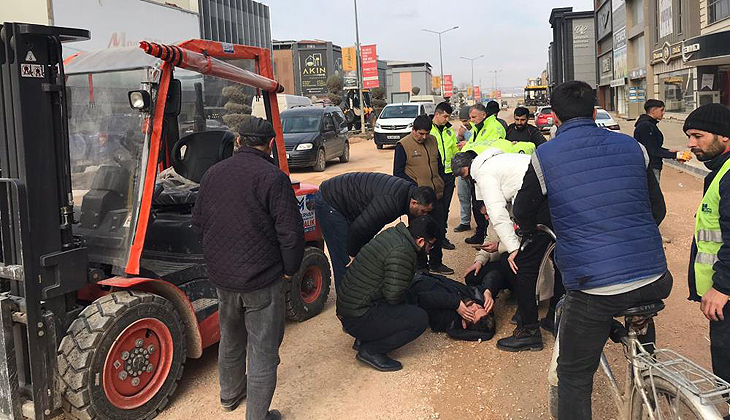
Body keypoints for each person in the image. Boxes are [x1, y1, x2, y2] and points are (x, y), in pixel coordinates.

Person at [513, 81, 670, 419]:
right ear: (595, 110)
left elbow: (523, 211)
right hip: (656, 276)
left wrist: (533, 229)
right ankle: (650, 374)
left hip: (595, 285)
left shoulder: (545, 155)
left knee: (573, 374)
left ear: (554, 117)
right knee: (636, 306)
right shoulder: (632, 147)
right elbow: (657, 211)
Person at [192, 117, 305, 419]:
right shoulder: (273, 177)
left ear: (239, 141)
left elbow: (199, 224)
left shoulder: (212, 173)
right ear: (269, 144)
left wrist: (217, 262)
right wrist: (289, 271)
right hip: (262, 280)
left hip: (223, 279)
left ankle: (229, 396)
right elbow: (291, 233)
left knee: (231, 339)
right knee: (263, 350)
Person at [452, 148, 554, 351]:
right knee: (558, 259)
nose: (468, 181)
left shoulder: (484, 173)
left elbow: (499, 216)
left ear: (467, 169)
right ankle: (553, 317)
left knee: (523, 265)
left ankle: (530, 331)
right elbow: (493, 228)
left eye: (464, 176)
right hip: (551, 200)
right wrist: (482, 258)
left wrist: (513, 248)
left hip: (541, 206)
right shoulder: (503, 162)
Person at [336, 216, 437, 371]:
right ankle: (371, 350)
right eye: (431, 246)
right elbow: (393, 296)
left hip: (351, 309)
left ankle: (363, 338)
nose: (430, 251)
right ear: (421, 241)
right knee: (419, 319)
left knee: (408, 298)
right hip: (357, 316)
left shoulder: (395, 234)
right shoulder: (403, 252)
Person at [316, 173, 437, 291]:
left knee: (362, 254)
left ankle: (359, 295)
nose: (424, 215)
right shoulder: (391, 203)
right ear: (414, 203)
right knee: (345, 259)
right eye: (423, 211)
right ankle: (346, 305)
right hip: (331, 201)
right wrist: (353, 253)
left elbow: (372, 226)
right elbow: (359, 228)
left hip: (349, 200)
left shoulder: (409, 194)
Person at [683, 103, 730, 385]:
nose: (691, 144)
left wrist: (723, 286)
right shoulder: (720, 171)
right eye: (689, 136)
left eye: (698, 136)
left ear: (724, 135)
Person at [394, 114, 454, 274]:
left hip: (436, 196)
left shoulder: (433, 140)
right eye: (420, 133)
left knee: (438, 231)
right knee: (419, 234)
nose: (424, 136)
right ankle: (420, 266)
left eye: (426, 133)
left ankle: (436, 263)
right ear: (413, 130)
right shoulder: (403, 145)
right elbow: (398, 173)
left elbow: (439, 165)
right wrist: (416, 189)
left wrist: (441, 180)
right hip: (419, 201)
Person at [406, 272, 496, 341]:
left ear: (464, 323)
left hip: (409, 281)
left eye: (473, 311)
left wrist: (455, 303)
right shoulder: (474, 300)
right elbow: (493, 274)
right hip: (424, 274)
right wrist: (488, 292)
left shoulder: (447, 318)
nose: (475, 305)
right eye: (480, 308)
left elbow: (423, 298)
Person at [431, 102, 460, 250]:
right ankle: (432, 238)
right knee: (434, 208)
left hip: (448, 175)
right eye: (445, 116)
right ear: (437, 114)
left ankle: (442, 237)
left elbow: (454, 150)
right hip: (434, 175)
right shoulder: (428, 130)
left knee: (445, 208)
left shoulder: (449, 131)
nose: (447, 120)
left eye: (448, 117)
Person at [634, 99, 685, 183]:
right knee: (653, 194)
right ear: (653, 111)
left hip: (653, 165)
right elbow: (652, 150)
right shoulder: (645, 126)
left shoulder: (650, 124)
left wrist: (668, 151)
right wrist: (675, 155)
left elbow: (654, 146)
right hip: (649, 167)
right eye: (661, 110)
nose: (664, 112)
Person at [455, 106, 474, 233]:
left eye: (467, 120)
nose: (465, 123)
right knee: (463, 194)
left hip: (474, 167)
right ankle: (465, 221)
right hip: (463, 167)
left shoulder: (478, 130)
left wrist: (466, 135)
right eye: (463, 121)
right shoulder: (462, 130)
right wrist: (459, 137)